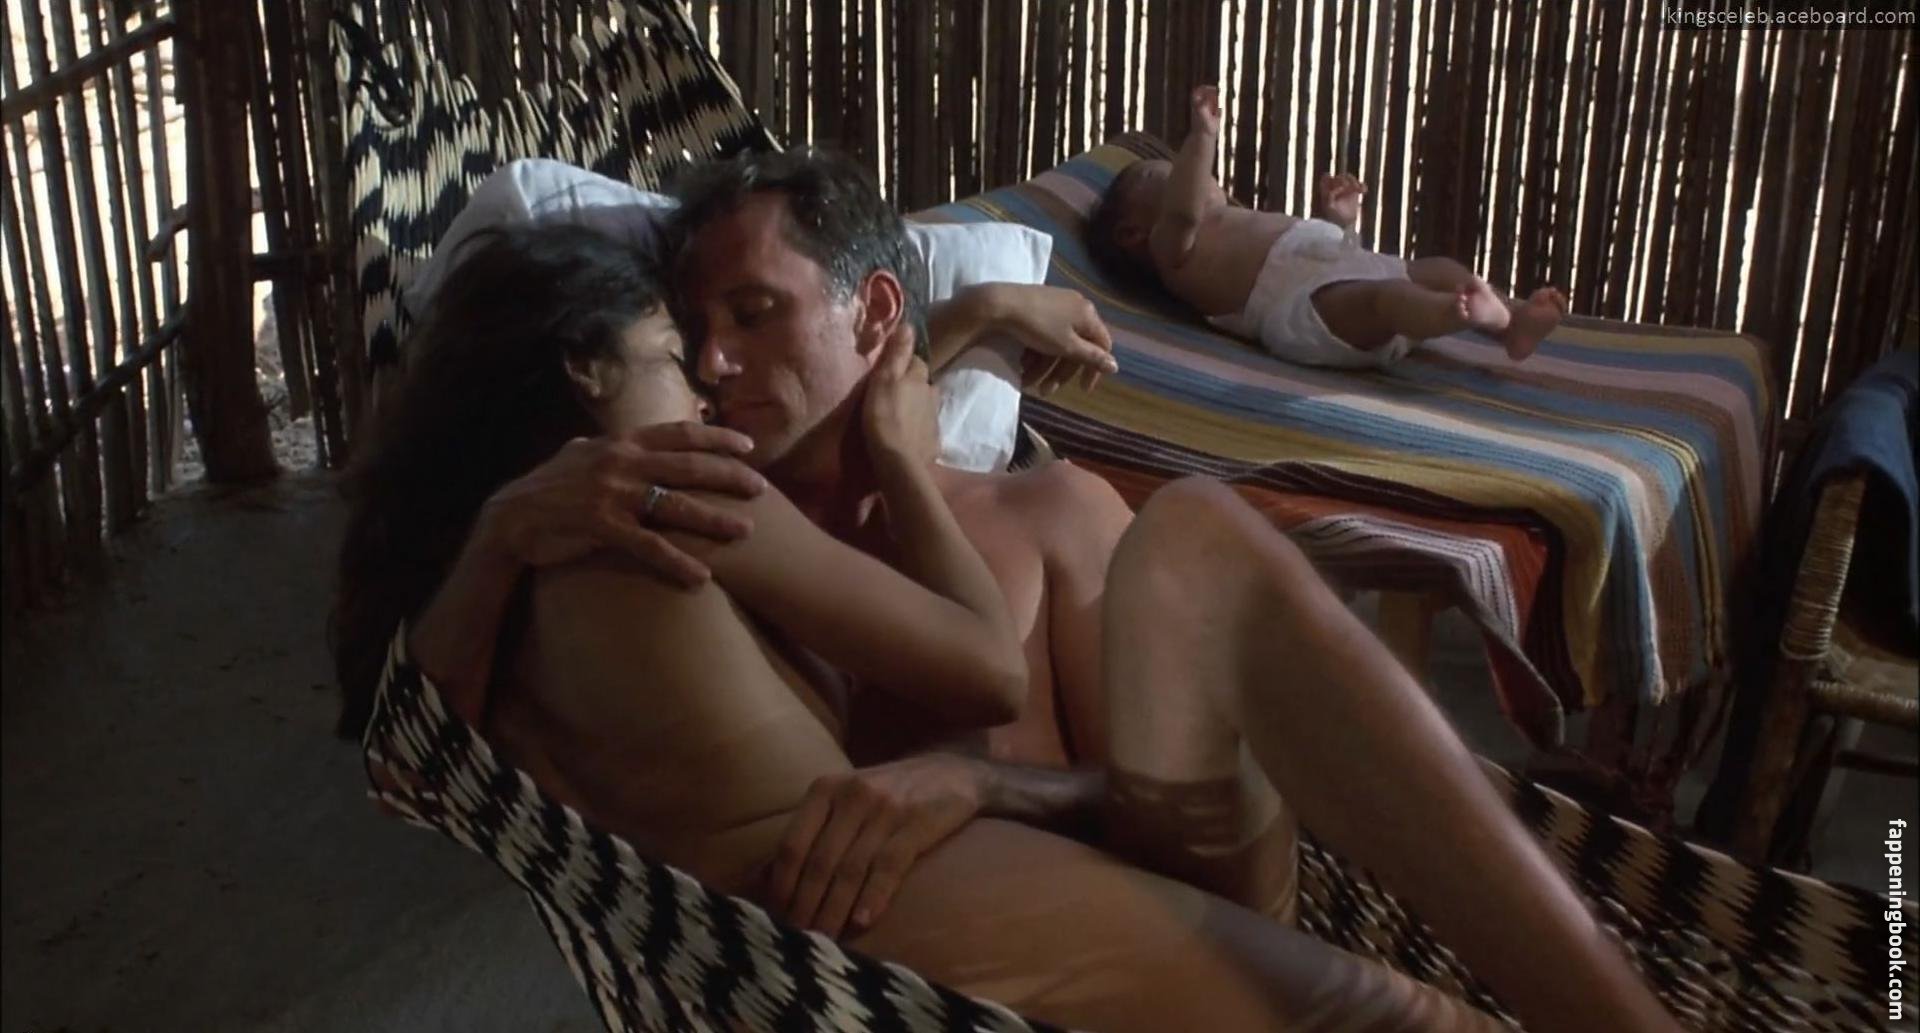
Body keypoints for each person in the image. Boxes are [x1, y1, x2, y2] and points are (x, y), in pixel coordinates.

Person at [339, 151, 1682, 1033]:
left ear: (875, 316)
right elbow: (435, 762)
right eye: (691, 338)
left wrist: (987, 785)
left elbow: (1174, 819)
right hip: (884, 977)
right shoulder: (666, 519)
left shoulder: (1036, 516)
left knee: (1197, 537)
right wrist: (503, 531)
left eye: (753, 316)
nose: (715, 369)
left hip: (1165, 906)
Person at [1089, 85, 1567, 367]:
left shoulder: (1235, 216)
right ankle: (1456, 313)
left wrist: (1337, 222)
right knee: (1386, 300)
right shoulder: (1173, 249)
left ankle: (1510, 326)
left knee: (1436, 268)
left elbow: (1313, 254)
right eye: (1162, 174)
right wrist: (1201, 137)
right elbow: (1183, 210)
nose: (1182, 171)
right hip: (1299, 309)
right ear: (1132, 233)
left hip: (1342, 265)